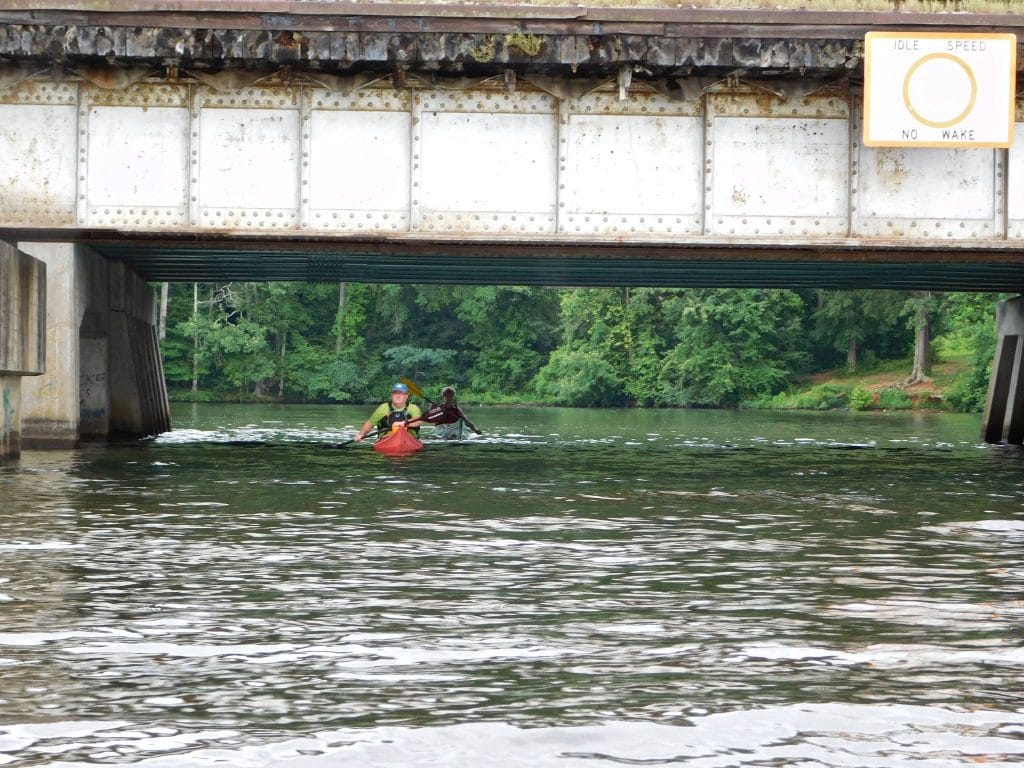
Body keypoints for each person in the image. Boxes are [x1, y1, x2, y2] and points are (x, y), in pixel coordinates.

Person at [354, 382, 422, 442]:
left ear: (406, 396)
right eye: (395, 393)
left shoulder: (413, 408)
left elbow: (418, 421)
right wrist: (361, 434)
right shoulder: (383, 408)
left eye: (401, 394)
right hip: (386, 437)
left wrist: (403, 423)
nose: (398, 396)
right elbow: (370, 423)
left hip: (410, 438)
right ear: (391, 395)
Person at [409, 386, 481, 440]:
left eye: (451, 395)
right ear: (443, 396)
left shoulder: (457, 409)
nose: (449, 397)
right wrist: (432, 408)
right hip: (441, 430)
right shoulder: (438, 408)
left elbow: (467, 422)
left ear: (453, 396)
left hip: (454, 430)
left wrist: (475, 430)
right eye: (447, 395)